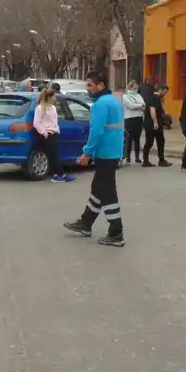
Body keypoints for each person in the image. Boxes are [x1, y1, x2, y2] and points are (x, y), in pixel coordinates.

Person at [64, 71, 127, 247]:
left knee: (107, 191)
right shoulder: (115, 101)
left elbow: (97, 131)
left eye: (90, 85)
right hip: (113, 151)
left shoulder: (100, 104)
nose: (88, 88)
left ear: (101, 85)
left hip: (104, 152)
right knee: (98, 187)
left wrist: (87, 152)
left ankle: (116, 232)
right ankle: (86, 223)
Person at [34, 88, 75, 183]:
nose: (55, 98)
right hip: (47, 134)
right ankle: (59, 175)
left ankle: (58, 174)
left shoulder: (53, 108)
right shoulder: (40, 108)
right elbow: (36, 122)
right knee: (53, 155)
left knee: (55, 154)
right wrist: (44, 133)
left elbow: (54, 120)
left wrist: (57, 130)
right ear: (48, 97)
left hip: (54, 133)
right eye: (54, 96)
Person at [143, 84, 173, 168]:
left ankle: (161, 160)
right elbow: (152, 110)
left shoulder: (156, 98)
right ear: (161, 90)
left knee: (160, 142)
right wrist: (155, 122)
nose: (165, 94)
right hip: (152, 125)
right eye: (165, 92)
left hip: (156, 125)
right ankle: (146, 161)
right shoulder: (155, 98)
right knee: (149, 142)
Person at [121, 81, 146, 166]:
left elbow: (144, 104)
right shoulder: (125, 96)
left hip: (139, 118)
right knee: (129, 139)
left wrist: (139, 105)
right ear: (129, 88)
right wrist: (140, 106)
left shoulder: (138, 96)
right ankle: (128, 158)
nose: (135, 90)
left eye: (136, 88)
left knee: (137, 139)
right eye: (134, 88)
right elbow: (131, 106)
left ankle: (137, 157)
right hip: (129, 119)